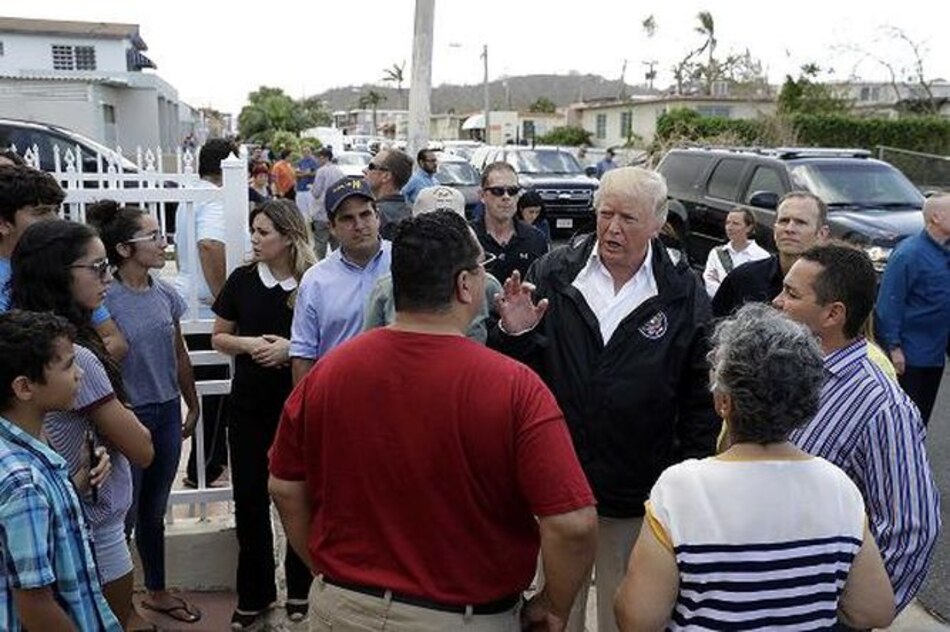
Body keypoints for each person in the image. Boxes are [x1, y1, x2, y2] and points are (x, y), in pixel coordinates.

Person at [270, 211, 598, 632]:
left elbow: (284, 486)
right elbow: (573, 524)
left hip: (342, 609)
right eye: (481, 269)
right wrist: (553, 604)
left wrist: (326, 569)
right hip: (463, 616)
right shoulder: (516, 389)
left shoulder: (328, 375)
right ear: (464, 285)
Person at [490, 167, 719, 632]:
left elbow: (700, 396)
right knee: (551, 615)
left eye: (628, 218)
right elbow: (516, 379)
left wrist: (685, 477)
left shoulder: (682, 290)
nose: (613, 228)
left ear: (657, 223)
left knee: (629, 615)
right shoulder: (554, 273)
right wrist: (513, 335)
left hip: (636, 494)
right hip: (556, 487)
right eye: (606, 214)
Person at [614, 303, 895, 631]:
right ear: (805, 402)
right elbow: (875, 611)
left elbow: (637, 619)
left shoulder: (680, 489)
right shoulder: (838, 488)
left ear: (724, 403)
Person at [773, 243, 940, 617]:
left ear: (833, 314)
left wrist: (849, 615)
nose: (776, 301)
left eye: (792, 293)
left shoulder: (883, 407)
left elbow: (911, 529)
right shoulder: (790, 370)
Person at [11, 220, 155, 628]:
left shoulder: (24, 336)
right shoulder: (76, 358)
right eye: (96, 267)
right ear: (58, 274)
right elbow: (143, 449)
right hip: (94, 525)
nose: (106, 277)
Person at [86, 201, 203, 625]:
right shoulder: (103, 301)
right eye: (151, 236)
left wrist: (192, 401)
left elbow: (179, 353)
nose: (162, 242)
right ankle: (121, 602)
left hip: (166, 411)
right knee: (124, 514)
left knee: (155, 510)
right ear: (123, 249)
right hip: (127, 419)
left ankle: (155, 589)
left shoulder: (165, 294)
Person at [212, 199, 316, 628]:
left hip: (299, 407)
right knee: (250, 498)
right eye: (253, 231)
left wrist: (289, 349)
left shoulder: (313, 280)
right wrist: (252, 345)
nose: (254, 239)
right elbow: (220, 337)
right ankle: (254, 593)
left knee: (301, 494)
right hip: (250, 408)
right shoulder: (241, 280)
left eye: (263, 232)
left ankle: (301, 588)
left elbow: (326, 337)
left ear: (289, 236)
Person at [0, 310, 122, 631]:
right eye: (68, 365)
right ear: (25, 387)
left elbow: (47, 517)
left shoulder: (26, 449)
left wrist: (82, 474)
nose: (80, 374)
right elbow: (35, 605)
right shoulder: (23, 481)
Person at [0, 164, 128, 360]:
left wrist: (70, 369)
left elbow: (115, 340)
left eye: (56, 210)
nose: (54, 219)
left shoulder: (62, 266)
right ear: (4, 224)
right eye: (41, 212)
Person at [364, 185, 502, 344]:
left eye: (452, 228)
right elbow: (372, 344)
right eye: (430, 227)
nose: (440, 236)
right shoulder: (387, 288)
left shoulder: (484, 283)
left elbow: (503, 339)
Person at [174, 137, 236, 488]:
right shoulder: (213, 199)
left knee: (208, 393)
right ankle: (206, 469)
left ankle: (206, 464)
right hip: (206, 308)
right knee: (214, 397)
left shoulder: (191, 194)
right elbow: (209, 244)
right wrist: (224, 299)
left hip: (193, 304)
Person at [290, 176, 391, 384]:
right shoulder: (315, 280)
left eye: (365, 214)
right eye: (347, 218)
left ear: (377, 216)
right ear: (332, 226)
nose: (359, 225)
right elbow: (303, 355)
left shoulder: (406, 261)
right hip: (338, 395)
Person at [875, 192, 950, 425]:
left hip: (935, 354)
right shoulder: (909, 254)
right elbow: (889, 302)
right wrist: (893, 347)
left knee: (922, 417)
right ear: (936, 218)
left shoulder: (944, 252)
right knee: (906, 419)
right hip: (910, 356)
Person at [712, 191, 829, 317]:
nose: (789, 229)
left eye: (800, 222)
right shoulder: (743, 279)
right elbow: (713, 328)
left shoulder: (835, 285)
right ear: (774, 230)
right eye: (784, 221)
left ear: (822, 234)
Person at [471, 162, 548, 285]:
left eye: (512, 191)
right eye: (498, 191)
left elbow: (544, 286)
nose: (506, 197)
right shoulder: (467, 238)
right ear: (482, 195)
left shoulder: (536, 238)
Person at [702, 207, 769, 298]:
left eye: (735, 224)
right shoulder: (716, 253)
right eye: (727, 223)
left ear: (749, 227)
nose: (729, 227)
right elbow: (709, 280)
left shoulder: (762, 257)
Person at [363, 147, 413, 240]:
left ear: (386, 176)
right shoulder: (411, 212)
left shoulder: (374, 215)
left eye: (371, 166)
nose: (364, 170)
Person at [309, 147, 345, 260]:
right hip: (336, 213)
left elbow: (316, 192)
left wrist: (311, 189)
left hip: (321, 213)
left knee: (320, 245)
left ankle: (319, 271)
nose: (317, 160)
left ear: (324, 158)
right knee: (337, 246)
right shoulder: (339, 171)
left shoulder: (321, 171)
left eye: (319, 157)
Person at [294, 145, 319, 220]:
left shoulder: (314, 162)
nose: (306, 153)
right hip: (300, 189)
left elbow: (316, 173)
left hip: (309, 189)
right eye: (304, 152)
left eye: (308, 151)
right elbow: (296, 173)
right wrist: (306, 173)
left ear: (311, 152)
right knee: (302, 212)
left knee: (311, 211)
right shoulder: (300, 162)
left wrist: (304, 173)